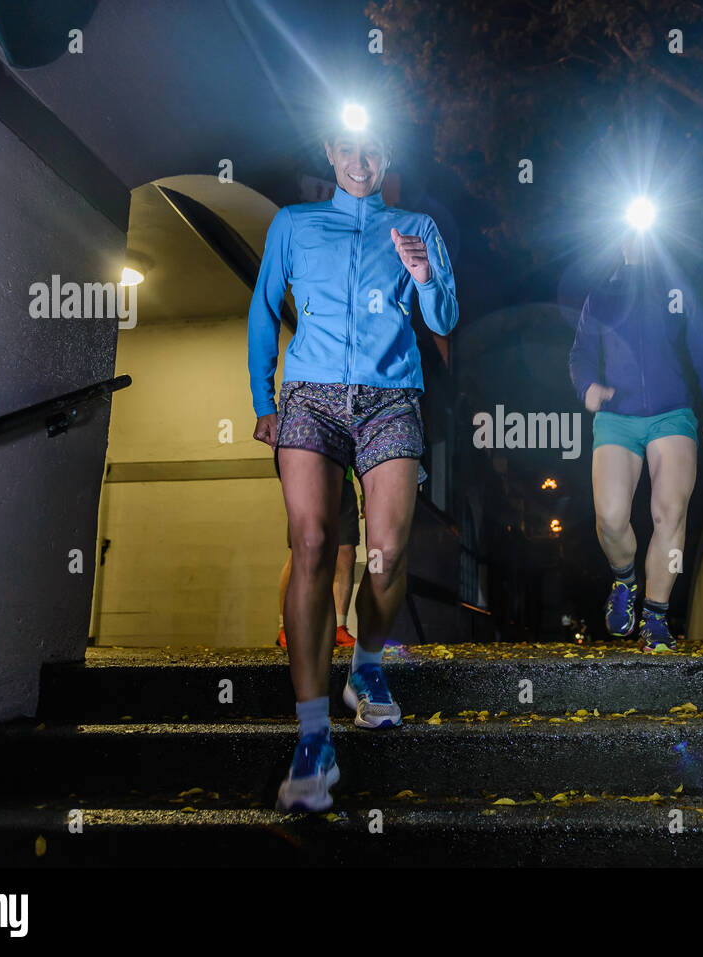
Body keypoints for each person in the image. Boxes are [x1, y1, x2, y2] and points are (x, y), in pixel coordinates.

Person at [248, 114, 458, 811]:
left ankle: (366, 669)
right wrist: (262, 395)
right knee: (309, 541)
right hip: (308, 396)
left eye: (372, 148)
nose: (360, 159)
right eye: (347, 147)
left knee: (388, 553)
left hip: (391, 396)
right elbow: (262, 309)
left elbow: (446, 318)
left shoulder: (417, 227)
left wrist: (424, 276)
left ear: (384, 153)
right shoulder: (294, 223)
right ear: (330, 151)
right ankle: (313, 736)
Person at [568, 230, 703, 653]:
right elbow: (581, 354)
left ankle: (656, 619)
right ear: (619, 241)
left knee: (670, 511)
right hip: (616, 418)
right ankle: (624, 579)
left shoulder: (678, 291)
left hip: (671, 415)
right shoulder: (601, 296)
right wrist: (587, 386)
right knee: (609, 517)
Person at [277, 469, 361, 650]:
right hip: (307, 477)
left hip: (342, 481)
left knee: (346, 554)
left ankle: (338, 627)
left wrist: (366, 495)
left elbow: (363, 449)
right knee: (299, 556)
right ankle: (285, 627)